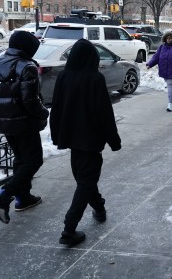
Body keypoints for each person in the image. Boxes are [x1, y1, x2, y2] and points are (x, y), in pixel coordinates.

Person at [49, 39, 122, 247]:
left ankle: (99, 208)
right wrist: (113, 140)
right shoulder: (95, 79)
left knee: (85, 180)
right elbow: (105, 113)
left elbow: (57, 109)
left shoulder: (64, 77)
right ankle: (68, 229)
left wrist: (57, 135)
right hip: (90, 140)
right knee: (86, 182)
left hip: (72, 139)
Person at [0, 30, 49, 224]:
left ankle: (23, 197)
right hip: (24, 122)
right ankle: (4, 196)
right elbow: (30, 100)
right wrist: (44, 113)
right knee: (34, 161)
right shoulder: (27, 67)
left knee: (21, 159)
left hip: (4, 120)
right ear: (27, 48)